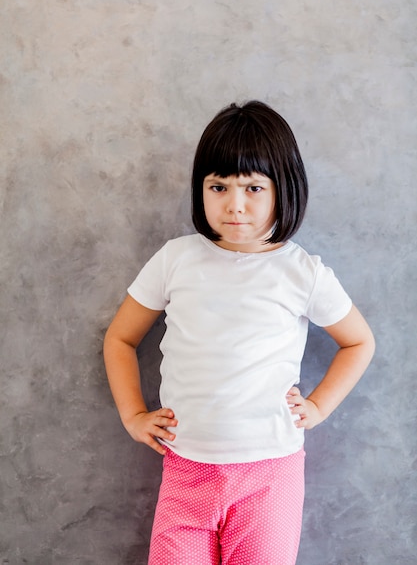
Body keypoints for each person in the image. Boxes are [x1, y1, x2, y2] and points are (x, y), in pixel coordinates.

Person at [103, 100, 375, 565]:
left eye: (253, 187)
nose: (234, 205)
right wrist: (133, 415)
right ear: (201, 190)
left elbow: (358, 341)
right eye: (218, 186)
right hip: (186, 469)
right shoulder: (177, 259)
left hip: (270, 474)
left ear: (282, 190)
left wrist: (318, 406)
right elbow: (121, 339)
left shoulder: (302, 272)